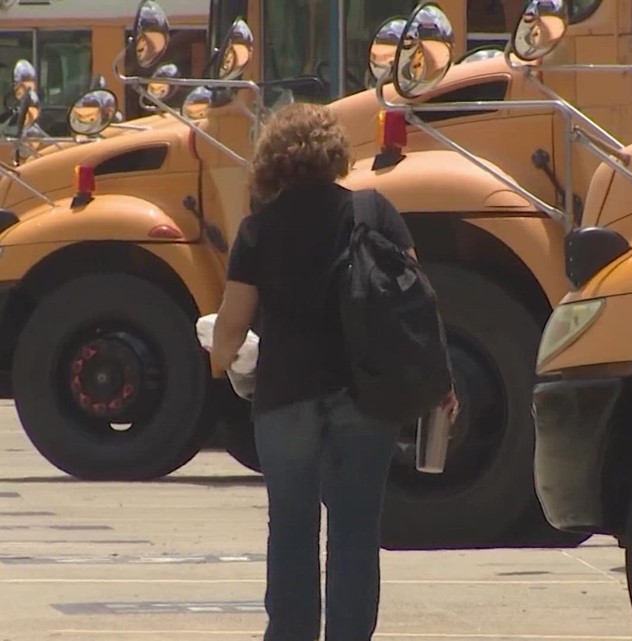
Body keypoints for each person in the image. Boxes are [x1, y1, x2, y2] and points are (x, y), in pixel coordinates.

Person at [209, 102, 458, 641]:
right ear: (334, 155)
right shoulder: (374, 212)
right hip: (365, 394)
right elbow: (415, 300)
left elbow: (231, 328)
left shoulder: (259, 229)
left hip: (285, 398)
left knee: (292, 528)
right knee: (355, 529)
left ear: (272, 161)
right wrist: (439, 378)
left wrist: (219, 358)